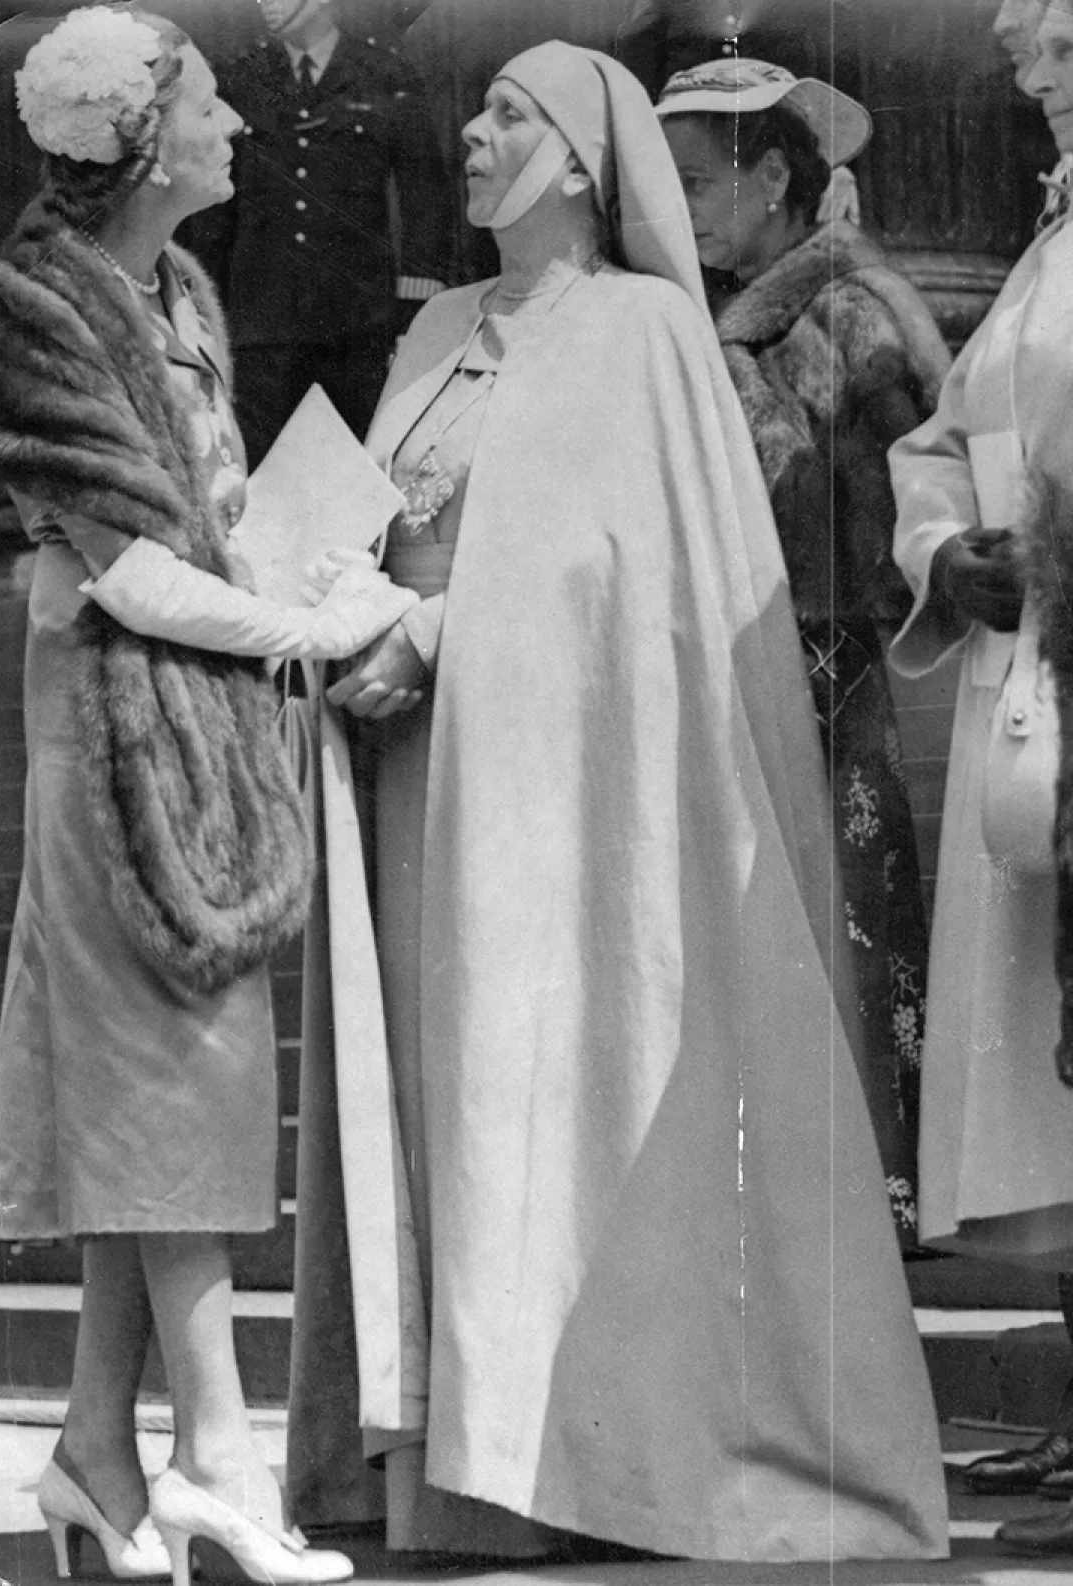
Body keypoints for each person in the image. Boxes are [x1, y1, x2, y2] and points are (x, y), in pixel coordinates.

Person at [286, 37, 949, 1565]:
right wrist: (326, 605)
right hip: (412, 771)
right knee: (443, 1104)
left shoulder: (649, 331)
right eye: (478, 109)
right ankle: (454, 1467)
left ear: (584, 160)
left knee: (537, 1091)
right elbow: (380, 516)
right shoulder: (433, 327)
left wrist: (437, 629)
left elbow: (634, 575)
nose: (472, 133)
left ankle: (581, 1451)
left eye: (509, 114)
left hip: (567, 796)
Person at [0, 8, 418, 1583]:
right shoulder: (34, 315)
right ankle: (218, 1452)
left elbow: (216, 524)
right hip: (114, 745)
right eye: (208, 103)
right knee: (169, 1074)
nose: (237, 125)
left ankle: (94, 1453)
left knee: (172, 1080)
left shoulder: (182, 292)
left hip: (199, 726)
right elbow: (128, 572)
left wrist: (320, 572)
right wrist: (302, 630)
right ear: (144, 145)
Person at [656, 57, 951, 1249]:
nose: (680, 208)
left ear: (774, 176)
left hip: (825, 661)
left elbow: (917, 481)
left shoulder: (844, 311)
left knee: (850, 918)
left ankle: (876, 1190)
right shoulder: (711, 319)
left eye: (696, 182)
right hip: (745, 663)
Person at [889, 0, 1073, 1553]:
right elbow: (942, 438)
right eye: (1032, 61)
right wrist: (948, 550)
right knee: (1050, 1060)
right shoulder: (1041, 252)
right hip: (1032, 681)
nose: (1043, 83)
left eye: (1067, 53)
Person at [193, 0, 451, 459]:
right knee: (263, 471)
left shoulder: (385, 75)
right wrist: (207, 314)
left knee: (355, 469)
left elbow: (425, 199)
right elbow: (213, 216)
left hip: (357, 328)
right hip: (261, 330)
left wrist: (413, 314)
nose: (268, 5)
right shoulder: (238, 79)